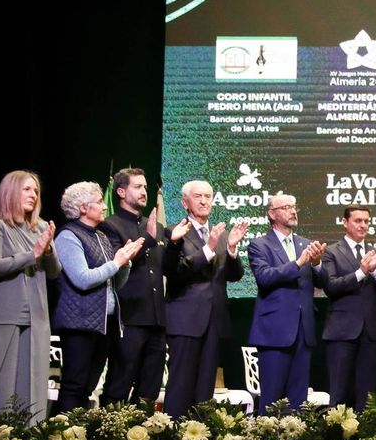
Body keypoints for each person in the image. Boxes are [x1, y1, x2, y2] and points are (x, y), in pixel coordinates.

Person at [0, 170, 60, 421]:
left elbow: (54, 273)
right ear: (10, 192)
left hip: (35, 319)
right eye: (27, 189)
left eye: (36, 191)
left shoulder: (41, 227)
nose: (33, 195)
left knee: (29, 391)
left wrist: (49, 250)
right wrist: (32, 254)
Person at [51, 181, 144, 413]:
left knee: (88, 386)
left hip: (103, 323)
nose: (104, 207)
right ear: (83, 207)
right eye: (100, 202)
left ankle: (80, 437)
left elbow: (114, 284)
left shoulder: (100, 236)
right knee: (75, 385)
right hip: (79, 323)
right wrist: (116, 262)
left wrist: (125, 264)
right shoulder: (68, 236)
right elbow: (82, 279)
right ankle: (63, 437)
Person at [163, 179, 248, 418]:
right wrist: (208, 250)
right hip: (186, 320)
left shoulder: (220, 235)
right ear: (185, 202)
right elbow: (175, 271)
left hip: (215, 321)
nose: (204, 201)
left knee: (205, 390)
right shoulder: (174, 231)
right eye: (198, 196)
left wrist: (231, 250)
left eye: (208, 196)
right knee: (180, 387)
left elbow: (235, 276)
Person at [248, 192, 327, 414]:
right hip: (274, 331)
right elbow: (264, 277)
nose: (293, 211)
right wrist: (298, 262)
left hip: (303, 330)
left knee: (298, 401)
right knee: (272, 399)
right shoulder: (259, 245)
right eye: (286, 207)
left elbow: (323, 282)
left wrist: (317, 263)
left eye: (294, 206)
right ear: (272, 214)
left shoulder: (305, 243)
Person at [100, 168, 169, 407]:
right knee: (119, 384)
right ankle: (109, 439)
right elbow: (119, 265)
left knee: (148, 391)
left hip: (156, 320)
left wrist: (176, 244)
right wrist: (148, 239)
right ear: (120, 191)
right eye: (137, 187)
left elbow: (165, 267)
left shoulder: (156, 228)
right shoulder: (110, 226)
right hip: (128, 318)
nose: (144, 191)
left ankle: (143, 439)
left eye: (145, 187)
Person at [320, 205, 376, 410]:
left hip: (371, 331)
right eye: (358, 221)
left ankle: (367, 438)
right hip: (341, 331)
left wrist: (375, 271)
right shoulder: (331, 252)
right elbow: (331, 286)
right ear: (345, 223)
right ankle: (336, 437)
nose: (363, 225)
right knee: (338, 393)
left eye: (366, 221)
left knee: (368, 394)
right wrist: (361, 272)